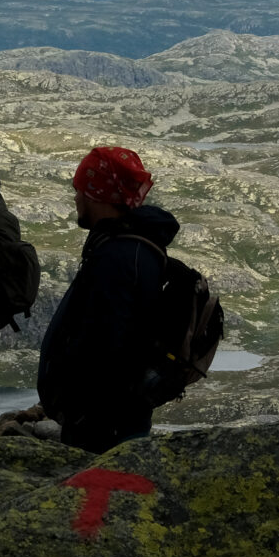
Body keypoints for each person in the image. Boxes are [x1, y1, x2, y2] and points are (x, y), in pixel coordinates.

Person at [39, 146, 179, 453]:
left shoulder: (118, 257)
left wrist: (83, 410)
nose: (76, 198)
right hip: (114, 419)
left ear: (97, 195)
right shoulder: (130, 248)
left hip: (103, 426)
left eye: (80, 190)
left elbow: (106, 346)